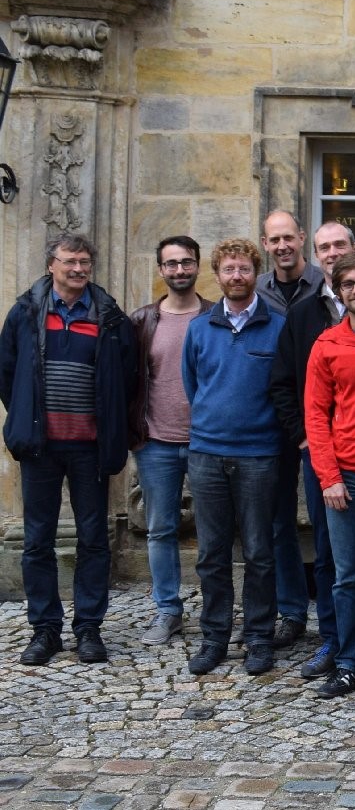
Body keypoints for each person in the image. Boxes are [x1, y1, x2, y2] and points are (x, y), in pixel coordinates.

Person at [3, 233, 137, 666]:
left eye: (84, 262)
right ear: (51, 265)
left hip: (90, 449)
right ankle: (45, 630)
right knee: (37, 541)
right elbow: (6, 373)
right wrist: (27, 415)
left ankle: (88, 629)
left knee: (94, 539)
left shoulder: (109, 316)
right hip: (41, 447)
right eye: (69, 262)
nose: (78, 269)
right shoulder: (25, 313)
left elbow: (128, 377)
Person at [182, 239, 288, 676]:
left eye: (244, 269)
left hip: (260, 455)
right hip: (207, 453)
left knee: (261, 552)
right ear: (218, 275)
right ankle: (214, 638)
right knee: (211, 553)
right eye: (228, 270)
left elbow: (284, 388)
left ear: (255, 272)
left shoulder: (278, 326)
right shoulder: (199, 328)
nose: (237, 276)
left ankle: (260, 638)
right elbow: (193, 385)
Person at [268, 221, 355, 679]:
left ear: (354, 249)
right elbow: (283, 383)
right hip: (322, 453)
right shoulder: (303, 315)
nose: (331, 252)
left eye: (339, 244)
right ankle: (333, 638)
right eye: (324, 247)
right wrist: (303, 436)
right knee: (327, 552)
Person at [303, 252, 355, 698]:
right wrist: (328, 476)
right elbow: (315, 414)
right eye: (348, 284)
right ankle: (350, 663)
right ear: (338, 290)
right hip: (347, 477)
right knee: (348, 575)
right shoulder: (328, 344)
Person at [130, 235, 212, 647]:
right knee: (160, 529)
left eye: (187, 262)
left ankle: (217, 613)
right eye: (171, 264)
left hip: (208, 442)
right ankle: (168, 611)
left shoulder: (216, 316)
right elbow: (129, 380)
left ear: (198, 266)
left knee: (216, 529)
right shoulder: (143, 320)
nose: (179, 270)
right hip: (156, 442)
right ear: (161, 269)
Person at [256, 210, 325, 651]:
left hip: (320, 426)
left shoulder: (325, 286)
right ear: (265, 244)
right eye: (273, 239)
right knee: (278, 521)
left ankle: (338, 616)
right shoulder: (256, 290)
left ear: (302, 239)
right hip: (274, 423)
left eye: (289, 237)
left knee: (326, 521)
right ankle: (292, 611)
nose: (282, 246)